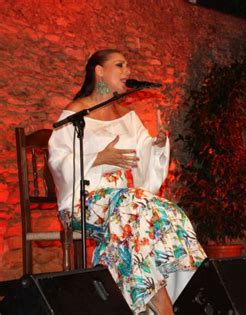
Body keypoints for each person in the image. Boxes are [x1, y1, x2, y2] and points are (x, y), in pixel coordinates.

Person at [48, 49, 206, 314]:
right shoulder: (75, 114)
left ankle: (166, 295)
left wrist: (157, 145)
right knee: (135, 207)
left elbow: (144, 153)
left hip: (125, 205)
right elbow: (57, 159)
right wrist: (98, 158)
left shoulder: (128, 117)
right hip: (82, 201)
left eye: (127, 66)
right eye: (120, 65)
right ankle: (161, 307)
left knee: (168, 212)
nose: (127, 71)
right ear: (99, 71)